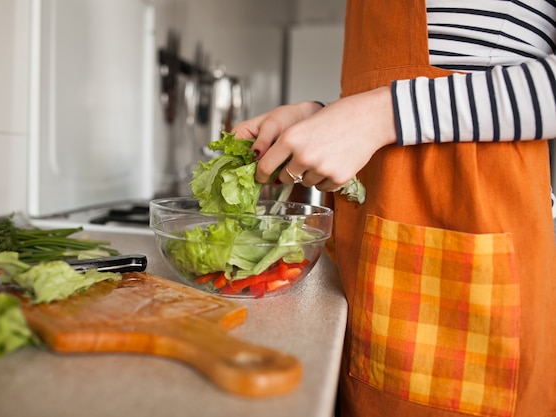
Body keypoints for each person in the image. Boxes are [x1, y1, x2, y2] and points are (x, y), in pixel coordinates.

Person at [232, 1, 556, 416]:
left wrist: (381, 114)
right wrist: (325, 119)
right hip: (368, 254)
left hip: (471, 247)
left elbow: (401, 109)